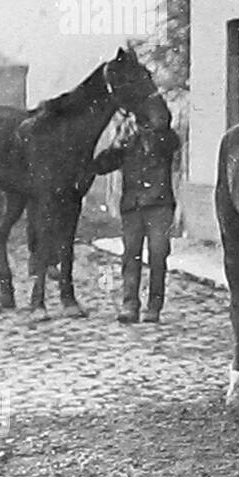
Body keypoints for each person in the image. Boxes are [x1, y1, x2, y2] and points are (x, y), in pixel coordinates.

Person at [91, 115, 181, 323]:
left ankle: (154, 307)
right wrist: (117, 143)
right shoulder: (127, 141)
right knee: (131, 255)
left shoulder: (164, 138)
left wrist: (157, 130)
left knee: (158, 254)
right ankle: (130, 304)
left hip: (159, 205)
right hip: (133, 206)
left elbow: (174, 143)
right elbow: (102, 166)